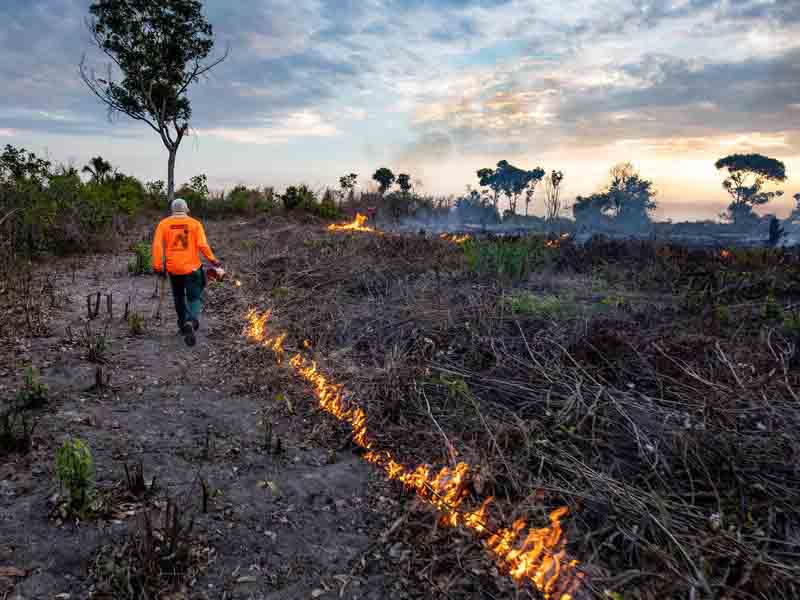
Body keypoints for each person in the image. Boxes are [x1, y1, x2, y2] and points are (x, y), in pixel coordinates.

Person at [151, 198, 221, 346]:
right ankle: (191, 321)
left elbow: (157, 245)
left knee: (178, 296)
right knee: (194, 297)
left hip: (173, 269)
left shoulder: (163, 224)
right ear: (186, 210)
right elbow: (202, 244)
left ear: (172, 210)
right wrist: (213, 260)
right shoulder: (195, 224)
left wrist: (157, 266)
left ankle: (182, 324)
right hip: (192, 268)